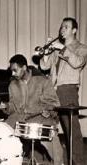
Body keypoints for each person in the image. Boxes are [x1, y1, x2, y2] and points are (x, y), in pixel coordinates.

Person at [39, 17, 87, 165]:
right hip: (52, 90)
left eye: (66, 27)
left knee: (72, 131)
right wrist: (46, 52)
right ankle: (58, 160)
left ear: (74, 30)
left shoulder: (81, 47)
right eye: (61, 27)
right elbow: (44, 67)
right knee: (46, 126)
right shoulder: (56, 49)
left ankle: (78, 162)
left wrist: (63, 48)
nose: (62, 30)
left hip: (68, 90)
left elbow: (78, 62)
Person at [0, 54, 61, 164]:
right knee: (2, 131)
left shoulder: (43, 81)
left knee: (52, 135)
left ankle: (59, 162)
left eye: (15, 70)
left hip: (40, 116)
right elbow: (13, 106)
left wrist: (48, 111)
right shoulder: (12, 85)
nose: (13, 74)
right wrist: (7, 107)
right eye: (11, 71)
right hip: (19, 117)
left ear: (24, 68)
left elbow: (55, 103)